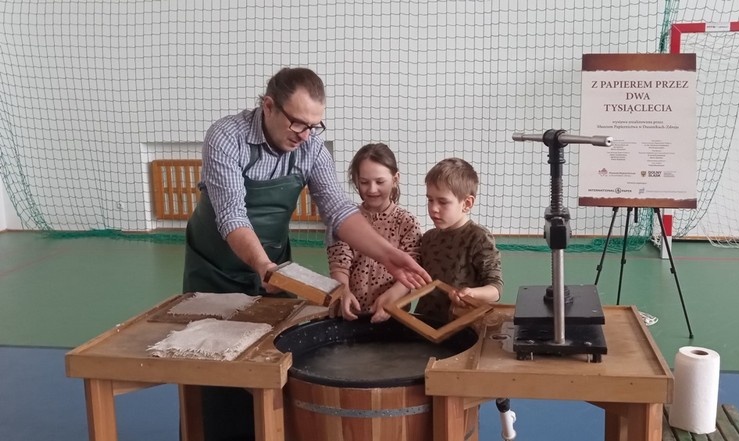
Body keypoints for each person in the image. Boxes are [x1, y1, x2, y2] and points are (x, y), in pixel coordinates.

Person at [181, 67, 430, 441]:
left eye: (314, 126)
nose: (305, 135)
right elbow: (231, 214)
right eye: (298, 123)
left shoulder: (310, 146)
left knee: (271, 359)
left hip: (273, 265)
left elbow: (338, 210)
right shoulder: (226, 136)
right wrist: (263, 265)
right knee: (214, 368)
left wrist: (388, 255)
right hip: (215, 268)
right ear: (269, 106)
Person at [327, 143, 422, 323]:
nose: (372, 189)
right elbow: (339, 262)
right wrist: (343, 290)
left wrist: (393, 295)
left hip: (393, 315)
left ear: (395, 179)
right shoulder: (347, 220)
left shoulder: (407, 222)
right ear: (356, 180)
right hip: (351, 312)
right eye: (364, 182)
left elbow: (412, 267)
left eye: (380, 182)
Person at [414, 157, 503, 323]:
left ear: (467, 203)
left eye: (443, 202)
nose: (433, 208)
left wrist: (471, 294)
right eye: (430, 200)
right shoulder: (427, 238)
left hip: (463, 325)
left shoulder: (479, 238)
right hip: (425, 324)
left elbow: (495, 289)